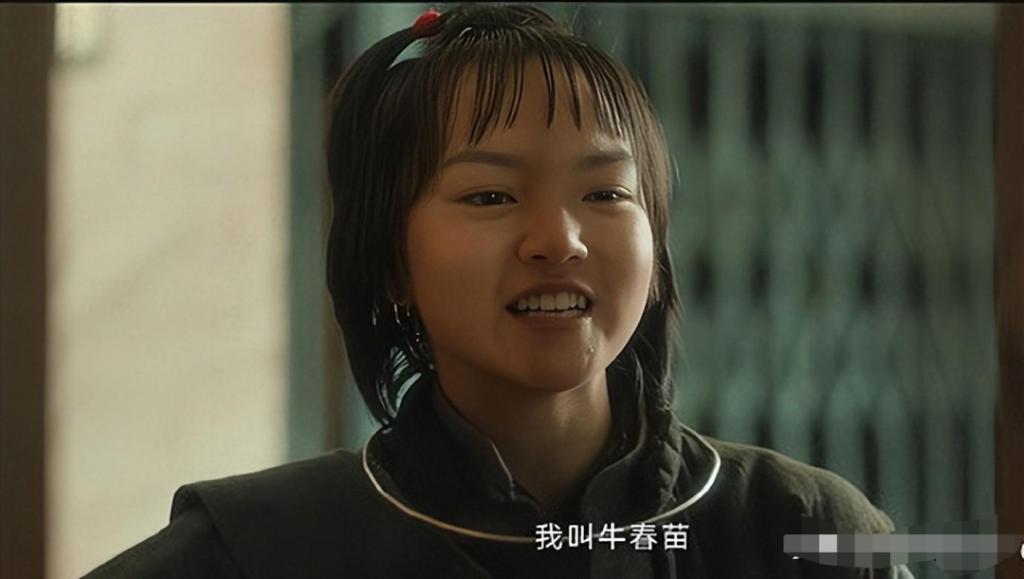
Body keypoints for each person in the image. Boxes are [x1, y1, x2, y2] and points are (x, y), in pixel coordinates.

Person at [85, 4, 915, 578]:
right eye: (490, 195)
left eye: (605, 192)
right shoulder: (265, 548)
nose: (559, 238)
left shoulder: (800, 528)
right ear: (390, 262)